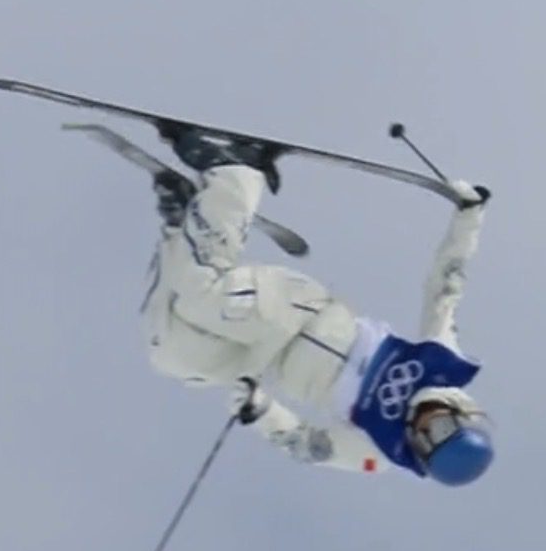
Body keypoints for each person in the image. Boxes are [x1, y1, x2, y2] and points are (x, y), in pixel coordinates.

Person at [140, 130, 494, 486]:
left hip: (267, 359)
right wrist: (469, 219)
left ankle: (181, 223)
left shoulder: (378, 450)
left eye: (425, 442)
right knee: (204, 295)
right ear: (460, 414)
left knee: (172, 352)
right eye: (442, 428)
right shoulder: (440, 363)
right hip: (299, 314)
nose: (425, 428)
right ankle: (237, 173)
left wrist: (263, 411)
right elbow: (446, 287)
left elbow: (308, 445)